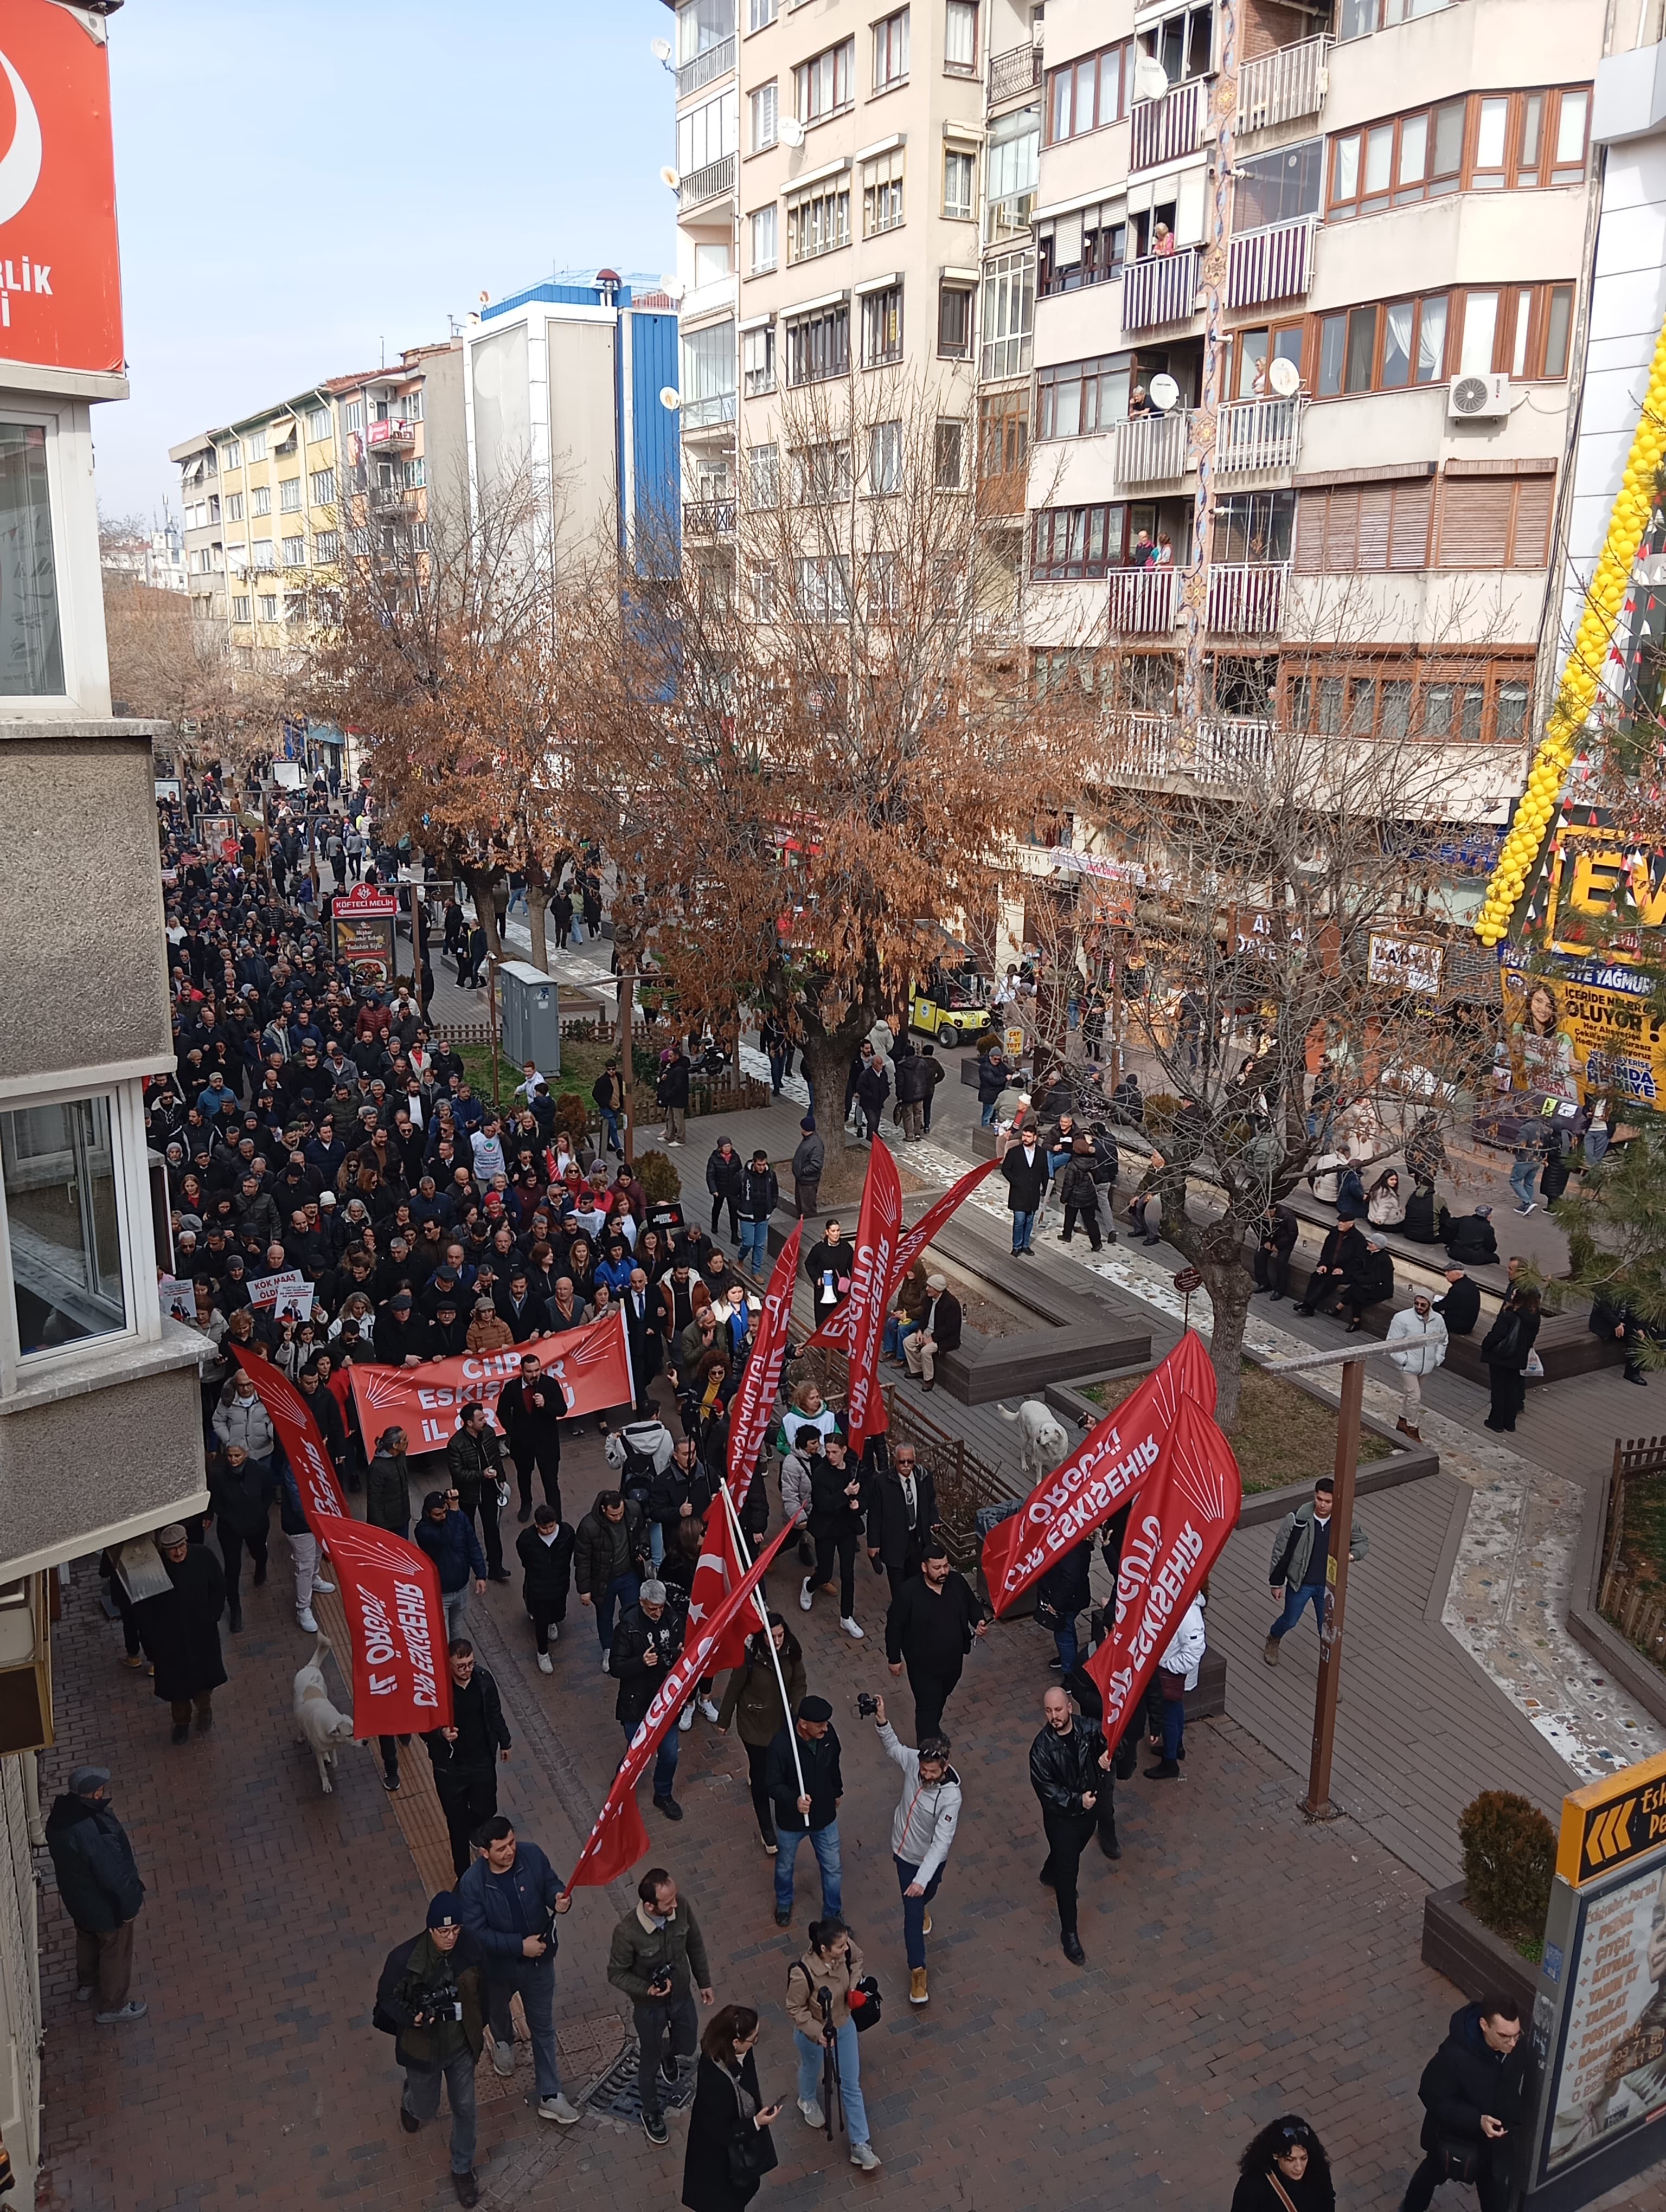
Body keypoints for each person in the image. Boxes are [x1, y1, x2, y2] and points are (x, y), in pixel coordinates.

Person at [457, 1815, 580, 2126]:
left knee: (543, 2027)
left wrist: (558, 1895)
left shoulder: (533, 1855)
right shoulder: (472, 1884)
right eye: (501, 1849)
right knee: (498, 2009)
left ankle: (550, 2095)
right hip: (498, 1968)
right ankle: (502, 2041)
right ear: (484, 1852)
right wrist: (518, 1946)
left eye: (512, 1843)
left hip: (539, 1963)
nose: (510, 1852)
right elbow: (476, 1933)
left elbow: (550, 1881)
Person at [375, 1892, 488, 2207]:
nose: (451, 1937)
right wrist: (412, 2017)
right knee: (426, 2109)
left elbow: (484, 1989)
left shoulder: (471, 1947)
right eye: (443, 1931)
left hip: (460, 2044)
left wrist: (481, 2026)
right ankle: (411, 2100)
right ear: (430, 1929)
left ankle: (462, 2168)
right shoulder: (404, 1960)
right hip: (424, 2048)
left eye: (456, 1930)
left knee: (465, 2107)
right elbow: (386, 1998)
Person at [607, 1867, 715, 2148]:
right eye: (668, 1903)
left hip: (680, 1996)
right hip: (649, 2007)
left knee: (689, 2043)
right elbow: (616, 1974)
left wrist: (704, 1982)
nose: (675, 1905)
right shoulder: (627, 1933)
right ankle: (651, 2112)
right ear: (650, 1905)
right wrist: (647, 1989)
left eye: (675, 1897)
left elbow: (695, 1944)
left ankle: (671, 2052)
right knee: (649, 2060)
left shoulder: (682, 1909)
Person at [870, 1695, 959, 2008]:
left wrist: (923, 1880)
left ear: (944, 1767)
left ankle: (924, 1903)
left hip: (928, 1864)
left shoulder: (951, 1798)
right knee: (911, 1914)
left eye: (932, 1771)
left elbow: (941, 1843)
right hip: (903, 1853)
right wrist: (882, 1720)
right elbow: (894, 1748)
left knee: (926, 1894)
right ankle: (918, 1971)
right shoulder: (914, 1763)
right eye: (923, 1768)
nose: (926, 1775)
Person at [1400, 1997, 1528, 2212]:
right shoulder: (1453, 2057)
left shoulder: (1516, 2048)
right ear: (1484, 2025)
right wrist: (1476, 2121)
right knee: (1430, 2176)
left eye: (1516, 2035)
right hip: (1456, 2139)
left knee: (1495, 2200)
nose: (1513, 2043)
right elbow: (1432, 2096)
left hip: (1494, 2148)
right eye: (1504, 2036)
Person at [44, 1765, 148, 2025]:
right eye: (99, 1789)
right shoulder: (92, 1828)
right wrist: (128, 1907)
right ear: (91, 1794)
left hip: (77, 1898)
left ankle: (87, 1983)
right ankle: (113, 2005)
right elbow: (113, 1874)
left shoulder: (60, 1818)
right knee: (115, 1947)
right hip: (104, 1904)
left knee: (86, 1935)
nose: (103, 1791)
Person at [785, 1917, 881, 2172]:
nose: (846, 1949)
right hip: (815, 2034)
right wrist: (817, 2032)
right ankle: (806, 2099)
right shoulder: (802, 1973)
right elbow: (794, 2007)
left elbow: (857, 1960)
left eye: (846, 1943)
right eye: (840, 1947)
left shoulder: (846, 1947)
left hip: (844, 2025)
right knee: (811, 2066)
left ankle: (860, 2144)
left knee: (850, 2084)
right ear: (824, 1948)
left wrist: (852, 1988)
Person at [1029, 1684, 1114, 1964]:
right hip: (1062, 1818)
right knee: (1069, 1875)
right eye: (1048, 1711)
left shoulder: (1088, 1729)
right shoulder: (1041, 1750)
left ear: (1070, 1708)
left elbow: (1111, 1740)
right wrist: (1078, 1801)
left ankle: (1050, 1870)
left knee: (1072, 1852)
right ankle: (1070, 1934)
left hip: (1087, 1812)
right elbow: (1049, 1792)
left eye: (1058, 1709)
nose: (1054, 1716)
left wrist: (1108, 1756)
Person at [717, 1615, 808, 1855]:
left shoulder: (791, 1649)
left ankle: (781, 1815)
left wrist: (797, 1711)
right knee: (761, 1778)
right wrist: (724, 1719)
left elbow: (799, 1682)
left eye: (780, 1635)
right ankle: (766, 1828)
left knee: (777, 1772)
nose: (777, 1641)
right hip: (754, 1727)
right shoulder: (749, 1656)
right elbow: (734, 1688)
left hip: (781, 1725)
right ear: (762, 1635)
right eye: (772, 1636)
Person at [422, 1639, 512, 1880]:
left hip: (481, 1759)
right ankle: (463, 1874)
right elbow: (424, 1726)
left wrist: (505, 1741)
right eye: (461, 1666)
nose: (467, 1670)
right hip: (450, 1768)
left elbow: (494, 1712)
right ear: (449, 1665)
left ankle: (475, 1829)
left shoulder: (483, 1680)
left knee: (487, 1808)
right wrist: (441, 1734)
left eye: (471, 1663)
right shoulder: (437, 1688)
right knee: (456, 1824)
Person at [133, 1525, 227, 1745]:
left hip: (201, 1635)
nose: (178, 1552)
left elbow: (218, 1586)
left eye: (181, 1546)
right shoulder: (153, 1570)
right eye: (172, 1549)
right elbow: (144, 1611)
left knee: (204, 1684)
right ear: (163, 1551)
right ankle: (182, 1723)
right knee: (177, 1691)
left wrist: (213, 1615)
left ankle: (205, 1711)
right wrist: (153, 1643)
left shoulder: (203, 1556)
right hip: (170, 1643)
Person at [883, 1542, 986, 1743]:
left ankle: (932, 1727)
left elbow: (972, 1604)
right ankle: (928, 1749)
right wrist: (894, 1658)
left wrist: (978, 1621)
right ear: (924, 1567)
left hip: (953, 1663)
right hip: (924, 1668)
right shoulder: (908, 1593)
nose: (943, 1572)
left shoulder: (956, 1582)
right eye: (937, 1568)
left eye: (946, 1566)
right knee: (927, 1707)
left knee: (938, 1700)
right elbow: (895, 1627)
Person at [681, 2004, 780, 2212]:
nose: (756, 2042)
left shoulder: (740, 2052)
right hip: (717, 2164)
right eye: (754, 2039)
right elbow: (720, 2131)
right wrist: (755, 2123)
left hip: (732, 2156)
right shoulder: (715, 2078)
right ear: (736, 2042)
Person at [1263, 1477, 1369, 1664]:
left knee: (1328, 1629)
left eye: (1328, 1501)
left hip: (1329, 1585)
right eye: (1319, 1499)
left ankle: (1328, 1675)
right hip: (1301, 1583)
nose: (1322, 1505)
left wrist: (1351, 1556)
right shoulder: (1297, 1519)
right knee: (1290, 1620)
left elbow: (1362, 1542)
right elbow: (1280, 1552)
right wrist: (1277, 1583)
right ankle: (1273, 1638)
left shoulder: (1344, 1521)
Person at [612, 1578, 687, 1819]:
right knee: (637, 1751)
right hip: (637, 1701)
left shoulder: (674, 1620)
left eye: (661, 1607)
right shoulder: (628, 1627)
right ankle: (621, 1787)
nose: (657, 1613)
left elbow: (682, 1651)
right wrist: (640, 1662)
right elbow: (616, 1666)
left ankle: (663, 1793)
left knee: (670, 1754)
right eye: (652, 1608)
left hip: (666, 1700)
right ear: (642, 1602)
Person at [766, 1696, 843, 1927]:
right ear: (803, 1724)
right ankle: (784, 1901)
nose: (826, 1728)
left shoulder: (828, 1737)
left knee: (833, 1867)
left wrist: (837, 1791)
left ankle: (833, 1913)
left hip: (824, 1816)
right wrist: (794, 1801)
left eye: (826, 1723)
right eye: (820, 1724)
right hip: (791, 1822)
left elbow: (834, 1765)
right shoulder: (781, 1745)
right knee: (785, 1865)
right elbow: (772, 1784)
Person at [575, 1487, 648, 1669]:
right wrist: (584, 1590)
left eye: (621, 1514)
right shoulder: (589, 1526)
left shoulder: (633, 1511)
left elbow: (642, 1531)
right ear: (603, 1510)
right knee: (605, 1616)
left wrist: (643, 1547)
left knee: (633, 1612)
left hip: (629, 1574)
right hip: (603, 1579)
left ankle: (633, 1645)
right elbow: (582, 1559)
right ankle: (608, 1649)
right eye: (614, 1515)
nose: (618, 1518)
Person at [865, 1441, 938, 1602]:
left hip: (918, 1541)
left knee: (918, 1584)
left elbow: (931, 1501)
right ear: (895, 1459)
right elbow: (875, 1515)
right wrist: (873, 1544)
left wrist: (934, 1520)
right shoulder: (882, 1482)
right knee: (899, 1589)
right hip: (894, 1542)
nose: (906, 1465)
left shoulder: (924, 1477)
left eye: (910, 1461)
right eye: (902, 1461)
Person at [414, 1489, 489, 1643]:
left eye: (445, 1512)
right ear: (428, 1514)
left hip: (461, 1588)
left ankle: (455, 1662)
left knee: (456, 1630)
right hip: (441, 1594)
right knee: (443, 1636)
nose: (443, 1517)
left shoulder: (457, 1518)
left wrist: (481, 1574)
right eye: (438, 1514)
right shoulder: (423, 1530)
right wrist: (454, 1513)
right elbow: (445, 1539)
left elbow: (472, 1545)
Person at [498, 1352, 565, 1522]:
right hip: (523, 1444)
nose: (534, 1375)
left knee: (551, 1481)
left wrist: (546, 1404)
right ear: (522, 1371)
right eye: (530, 1371)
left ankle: (556, 1515)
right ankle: (526, 1504)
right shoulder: (512, 1388)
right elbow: (502, 1412)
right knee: (524, 1476)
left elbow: (562, 1409)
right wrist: (513, 1432)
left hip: (547, 1443)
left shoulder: (550, 1385)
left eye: (537, 1370)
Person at [447, 1402, 510, 1584]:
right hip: (468, 1494)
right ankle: (474, 1565)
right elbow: (458, 1474)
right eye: (480, 1419)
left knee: (492, 1528)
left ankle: (496, 1567)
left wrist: (501, 1478)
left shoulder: (489, 1434)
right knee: (469, 1531)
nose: (485, 1421)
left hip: (489, 1490)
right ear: (468, 1423)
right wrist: (481, 1475)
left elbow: (495, 1457)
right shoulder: (456, 1444)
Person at [1146, 1592, 1206, 1780]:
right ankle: (1176, 1747)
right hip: (1171, 1670)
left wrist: (1167, 1665)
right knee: (1174, 1709)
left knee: (1168, 1714)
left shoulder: (1189, 1614)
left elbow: (1194, 1651)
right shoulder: (1181, 1604)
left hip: (1171, 1673)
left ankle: (1170, 1762)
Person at [1231, 2116, 1336, 2212]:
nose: (1299, 2168)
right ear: (1276, 2155)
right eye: (1290, 2160)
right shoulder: (1252, 2187)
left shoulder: (1318, 2169)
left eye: (1304, 2158)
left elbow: (1328, 2201)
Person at [516, 1502, 574, 1673]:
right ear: (536, 1525)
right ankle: (543, 1653)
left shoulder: (567, 1533)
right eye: (544, 1528)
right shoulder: (527, 1539)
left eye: (551, 1527)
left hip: (560, 1583)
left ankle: (552, 1621)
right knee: (541, 1621)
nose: (548, 1531)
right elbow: (524, 1559)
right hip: (539, 1586)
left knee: (558, 1613)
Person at [1387, 1290, 1447, 1441]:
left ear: (1430, 1304)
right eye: (1417, 1303)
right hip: (1408, 1366)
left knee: (1412, 1395)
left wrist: (1437, 1358)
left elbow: (1443, 1339)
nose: (1419, 1307)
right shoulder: (1402, 1318)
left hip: (1426, 1366)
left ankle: (1402, 1418)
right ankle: (1412, 1426)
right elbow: (1392, 1342)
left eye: (1423, 1304)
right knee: (1415, 1396)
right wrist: (1404, 1360)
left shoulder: (1438, 1320)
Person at [1482, 1285, 1540, 1433]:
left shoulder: (1509, 1315)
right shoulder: (1535, 1317)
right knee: (1512, 1389)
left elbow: (1497, 1335)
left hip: (1501, 1357)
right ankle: (1510, 1423)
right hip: (1519, 1358)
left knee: (1498, 1390)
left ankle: (1496, 1422)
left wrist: (1486, 1345)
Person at [1292, 1215, 1365, 1317]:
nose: (1340, 1224)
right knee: (1316, 1276)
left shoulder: (1359, 1239)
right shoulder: (1334, 1232)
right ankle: (1308, 1306)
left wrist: (1343, 1270)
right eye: (1339, 1221)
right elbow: (1326, 1250)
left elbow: (1358, 1261)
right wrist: (1323, 1264)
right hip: (1329, 1266)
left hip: (1345, 1272)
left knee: (1330, 1281)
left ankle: (1307, 1305)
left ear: (1351, 1223)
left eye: (1343, 1222)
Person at [999, 1121, 1049, 1256]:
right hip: (1019, 1193)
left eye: (1028, 1136)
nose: (1025, 1139)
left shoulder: (1042, 1153)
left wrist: (1047, 1192)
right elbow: (1006, 1169)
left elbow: (1045, 1173)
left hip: (1033, 1193)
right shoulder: (1014, 1152)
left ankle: (1026, 1245)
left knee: (1029, 1220)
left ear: (1035, 1138)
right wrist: (1015, 1181)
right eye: (1024, 1136)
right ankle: (1017, 1246)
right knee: (1019, 1220)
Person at [736, 1150, 779, 1278]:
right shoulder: (743, 1175)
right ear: (754, 1162)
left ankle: (756, 1271)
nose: (761, 1167)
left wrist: (772, 1205)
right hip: (747, 1215)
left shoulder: (771, 1175)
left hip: (763, 1215)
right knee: (748, 1243)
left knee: (760, 1245)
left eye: (764, 1164)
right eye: (759, 1165)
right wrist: (740, 1206)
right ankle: (741, 1258)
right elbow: (733, 1193)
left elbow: (775, 1192)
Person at [365, 1426, 413, 1539]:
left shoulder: (400, 1456)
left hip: (403, 1517)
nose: (408, 1441)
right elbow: (374, 1501)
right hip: (388, 1524)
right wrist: (380, 1529)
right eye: (404, 1439)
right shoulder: (377, 1469)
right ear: (395, 1445)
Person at [803, 1220, 853, 1318]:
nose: (836, 1234)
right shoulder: (819, 1248)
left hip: (842, 1290)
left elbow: (853, 1265)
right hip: (825, 1290)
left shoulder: (846, 1247)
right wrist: (817, 1279)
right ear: (827, 1232)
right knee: (824, 1319)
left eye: (838, 1231)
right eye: (833, 1231)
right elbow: (809, 1263)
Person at [1253, 1204, 1298, 1302]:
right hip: (1269, 1239)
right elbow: (1259, 1228)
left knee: (1281, 1262)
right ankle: (1264, 1283)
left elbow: (1292, 1234)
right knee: (1259, 1255)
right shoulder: (1262, 1215)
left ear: (1273, 1211)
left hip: (1285, 1242)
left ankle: (1280, 1290)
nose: (1265, 1214)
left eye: (1267, 1212)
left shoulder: (1287, 1216)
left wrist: (1278, 1246)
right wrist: (1265, 1241)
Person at [707, 1137, 744, 1243]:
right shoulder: (714, 1159)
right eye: (725, 1146)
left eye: (729, 1146)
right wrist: (714, 1190)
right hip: (720, 1189)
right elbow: (710, 1175)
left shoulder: (735, 1157)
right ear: (720, 1147)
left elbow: (740, 1173)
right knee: (717, 1207)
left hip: (733, 1190)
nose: (727, 1148)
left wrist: (740, 1187)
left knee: (734, 1213)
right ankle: (714, 1224)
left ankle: (735, 1236)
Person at [1433, 1264, 1481, 1339]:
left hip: (1459, 1326)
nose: (1446, 1274)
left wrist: (1432, 1307)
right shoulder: (1469, 1284)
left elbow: (1445, 1304)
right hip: (1468, 1324)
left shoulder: (1458, 1289)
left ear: (1457, 1274)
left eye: (1448, 1272)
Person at [1444, 1203, 1498, 1268]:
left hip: (1455, 1252)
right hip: (1472, 1257)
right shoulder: (1488, 1228)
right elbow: (1491, 1248)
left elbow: (1450, 1223)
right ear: (1487, 1216)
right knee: (1495, 1258)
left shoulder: (1465, 1219)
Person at [657, 1046, 691, 1148]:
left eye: (671, 1056)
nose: (669, 1058)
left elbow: (679, 1086)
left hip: (678, 1098)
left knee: (678, 1119)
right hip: (671, 1098)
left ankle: (681, 1139)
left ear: (677, 1056)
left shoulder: (680, 1069)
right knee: (670, 1117)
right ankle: (669, 1136)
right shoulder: (672, 1067)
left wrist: (670, 1093)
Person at [791, 1118, 824, 1217]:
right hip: (803, 1180)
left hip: (808, 1182)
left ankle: (809, 1230)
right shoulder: (809, 1140)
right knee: (803, 1208)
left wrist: (802, 1172)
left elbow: (816, 1165)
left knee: (808, 1209)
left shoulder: (815, 1144)